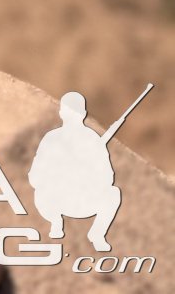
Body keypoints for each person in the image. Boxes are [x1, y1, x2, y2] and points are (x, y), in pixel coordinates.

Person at [28, 90, 127, 253]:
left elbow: (107, 178)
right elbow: (35, 177)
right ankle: (55, 223)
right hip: (55, 200)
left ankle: (97, 234)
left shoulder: (93, 141)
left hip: (82, 200)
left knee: (113, 193)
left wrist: (87, 173)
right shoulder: (52, 139)